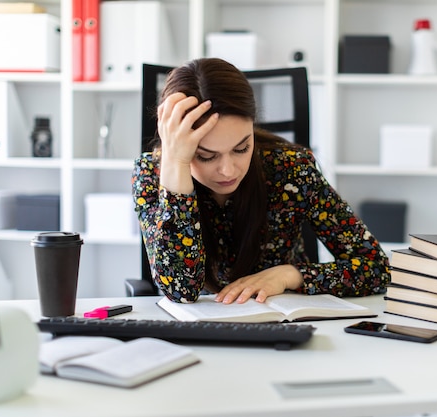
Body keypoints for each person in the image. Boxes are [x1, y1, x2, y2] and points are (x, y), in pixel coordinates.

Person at [132, 57, 390, 305]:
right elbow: (181, 290)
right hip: (197, 329)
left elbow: (376, 268)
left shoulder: (290, 168)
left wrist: (290, 275)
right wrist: (176, 165)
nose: (227, 170)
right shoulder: (151, 174)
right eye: (205, 156)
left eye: (241, 148)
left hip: (282, 319)